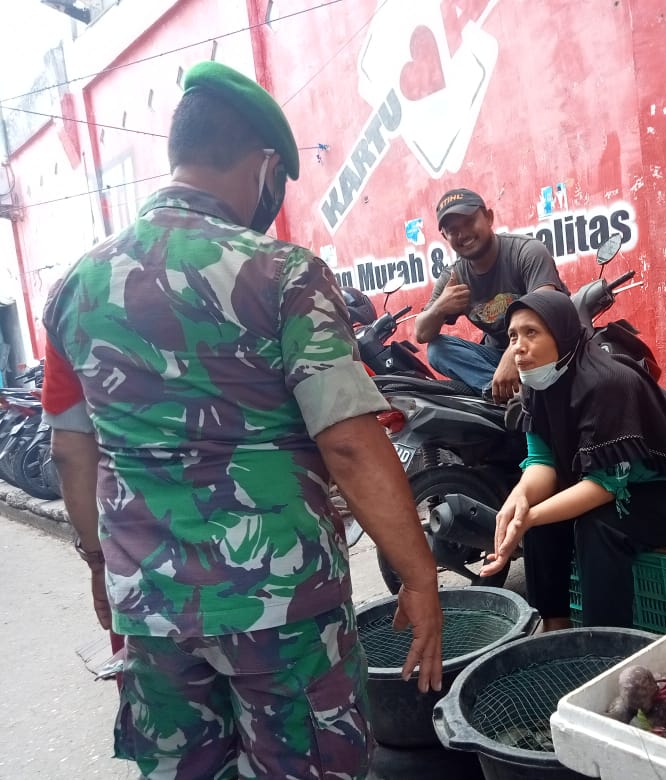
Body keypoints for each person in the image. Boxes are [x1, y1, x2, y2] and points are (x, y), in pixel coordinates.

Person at [41, 61, 442, 779]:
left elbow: (73, 450)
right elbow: (348, 441)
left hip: (150, 606)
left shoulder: (75, 286)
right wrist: (418, 576)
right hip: (281, 606)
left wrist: (103, 566)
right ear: (264, 165)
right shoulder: (283, 273)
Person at [481, 289, 666, 629]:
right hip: (626, 482)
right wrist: (518, 504)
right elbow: (542, 463)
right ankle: (555, 628)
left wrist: (528, 517)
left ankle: (604, 645)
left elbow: (604, 487)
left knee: (598, 527)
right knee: (536, 522)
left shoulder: (608, 383)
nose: (518, 347)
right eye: (513, 336)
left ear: (562, 332)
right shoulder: (535, 383)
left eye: (531, 333)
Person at [414, 188, 568, 402]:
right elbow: (421, 333)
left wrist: (513, 355)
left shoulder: (526, 251)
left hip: (550, 351)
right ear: (444, 236)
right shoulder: (454, 276)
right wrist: (440, 307)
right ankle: (509, 397)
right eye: (453, 229)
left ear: (489, 217)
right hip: (497, 358)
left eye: (469, 222)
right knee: (437, 350)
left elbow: (546, 306)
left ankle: (518, 396)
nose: (463, 234)